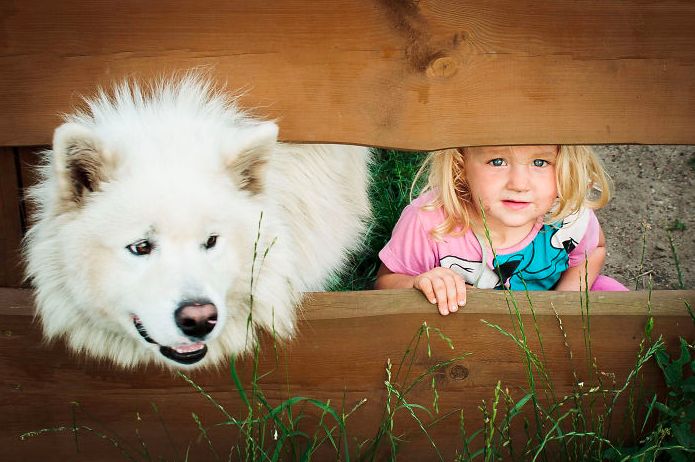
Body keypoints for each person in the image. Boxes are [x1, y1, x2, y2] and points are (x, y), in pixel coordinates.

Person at [375, 145, 628, 315]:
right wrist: (420, 282)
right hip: (459, 325)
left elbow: (593, 251)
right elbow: (386, 281)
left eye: (540, 162)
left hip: (545, 309)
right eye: (497, 161)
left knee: (617, 302)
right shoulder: (431, 221)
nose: (519, 184)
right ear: (460, 166)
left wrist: (564, 304)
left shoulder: (568, 215)